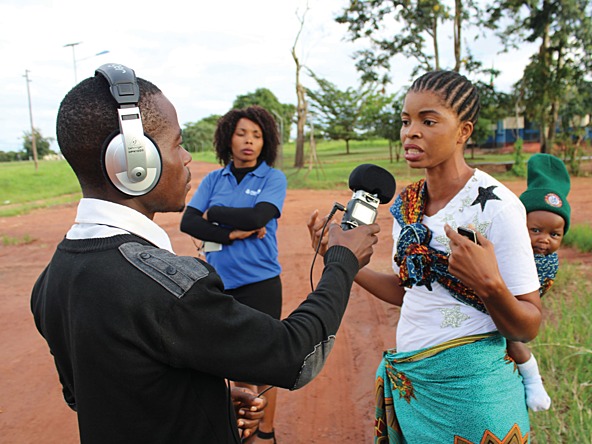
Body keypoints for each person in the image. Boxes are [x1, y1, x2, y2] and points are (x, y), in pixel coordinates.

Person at [30, 63, 380, 444]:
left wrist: (206, 397)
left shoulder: (50, 281)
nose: (186, 158)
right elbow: (296, 355)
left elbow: (94, 394)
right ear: (134, 163)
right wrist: (342, 261)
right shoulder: (169, 289)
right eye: (177, 143)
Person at [308, 70, 542, 443]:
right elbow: (411, 292)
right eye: (405, 121)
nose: (410, 132)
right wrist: (341, 259)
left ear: (463, 131)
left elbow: (527, 326)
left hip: (474, 395)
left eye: (428, 121)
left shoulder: (498, 207)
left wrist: (489, 284)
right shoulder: (406, 204)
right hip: (415, 389)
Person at [180, 105, 286, 443]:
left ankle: (264, 434)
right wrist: (229, 232)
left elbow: (259, 218)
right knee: (228, 366)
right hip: (220, 286)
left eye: (256, 135)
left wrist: (215, 213)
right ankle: (240, 433)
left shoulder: (272, 178)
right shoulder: (214, 178)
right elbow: (188, 222)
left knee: (263, 366)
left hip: (261, 284)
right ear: (229, 138)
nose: (249, 141)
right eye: (242, 133)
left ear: (265, 141)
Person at [506, 153, 571, 412]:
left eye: (555, 234)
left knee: (512, 341)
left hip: (514, 311)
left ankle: (533, 380)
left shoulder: (545, 262)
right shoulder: (512, 245)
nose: (545, 240)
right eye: (536, 230)